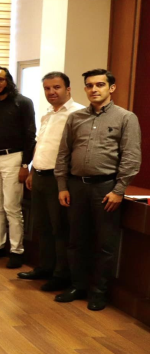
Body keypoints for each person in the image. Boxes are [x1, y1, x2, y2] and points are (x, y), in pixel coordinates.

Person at [54, 69, 141, 311]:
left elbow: (131, 157)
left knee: (104, 244)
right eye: (90, 85)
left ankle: (99, 292)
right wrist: (62, 186)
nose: (94, 89)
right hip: (76, 187)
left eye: (100, 84)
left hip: (106, 188)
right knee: (76, 241)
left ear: (111, 88)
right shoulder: (75, 118)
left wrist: (119, 190)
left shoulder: (126, 118)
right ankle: (77, 286)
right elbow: (63, 153)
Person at [18, 72, 84, 290]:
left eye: (56, 87)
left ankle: (60, 274)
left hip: (59, 179)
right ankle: (44, 268)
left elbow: (76, 150)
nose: (51, 92)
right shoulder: (47, 113)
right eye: (47, 88)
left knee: (59, 229)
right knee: (42, 226)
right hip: (39, 176)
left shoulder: (78, 113)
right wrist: (32, 171)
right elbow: (41, 144)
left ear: (68, 89)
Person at [0, 67, 36, 269]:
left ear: (8, 80)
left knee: (12, 207)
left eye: (0, 79)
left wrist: (25, 164)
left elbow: (30, 134)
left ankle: (17, 251)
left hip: (14, 158)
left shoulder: (23, 102)